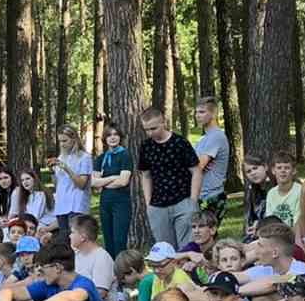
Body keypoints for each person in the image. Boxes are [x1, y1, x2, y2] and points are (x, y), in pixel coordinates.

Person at [137, 108, 201, 248]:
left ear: (163, 122)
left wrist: (193, 201)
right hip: (158, 206)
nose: (150, 133)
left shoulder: (180, 143)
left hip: (183, 202)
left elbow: (196, 171)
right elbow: (146, 176)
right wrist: (148, 204)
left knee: (188, 248)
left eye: (154, 128)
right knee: (166, 251)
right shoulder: (146, 146)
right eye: (146, 129)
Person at [91, 124, 134, 257]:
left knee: (119, 240)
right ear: (105, 138)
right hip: (105, 203)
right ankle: (111, 272)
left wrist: (103, 182)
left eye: (115, 134)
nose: (112, 137)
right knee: (108, 240)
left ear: (120, 137)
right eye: (109, 135)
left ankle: (122, 272)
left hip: (121, 202)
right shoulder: (101, 158)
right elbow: (94, 183)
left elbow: (123, 181)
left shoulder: (125, 155)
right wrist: (113, 177)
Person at [193, 96, 232, 223]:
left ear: (213, 113)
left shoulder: (216, 136)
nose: (197, 115)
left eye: (202, 112)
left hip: (212, 197)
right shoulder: (203, 139)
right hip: (201, 196)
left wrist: (196, 165)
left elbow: (198, 166)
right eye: (196, 112)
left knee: (207, 238)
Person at [50, 126, 93, 227]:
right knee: (64, 240)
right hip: (61, 205)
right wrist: (52, 171)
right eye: (60, 141)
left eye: (65, 141)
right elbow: (57, 185)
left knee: (77, 238)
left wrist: (67, 168)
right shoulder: (61, 157)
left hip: (76, 205)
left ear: (74, 139)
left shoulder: (84, 157)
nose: (62, 144)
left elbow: (82, 184)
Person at [69, 215, 116, 301]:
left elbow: (100, 292)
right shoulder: (77, 254)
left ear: (82, 237)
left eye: (72, 232)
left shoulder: (101, 258)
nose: (70, 236)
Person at [260, 151, 301, 229]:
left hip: (293, 233)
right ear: (273, 170)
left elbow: (298, 221)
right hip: (274, 233)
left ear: (294, 171)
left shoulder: (299, 190)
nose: (283, 171)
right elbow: (269, 220)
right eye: (279, 168)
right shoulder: (271, 193)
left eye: (287, 168)